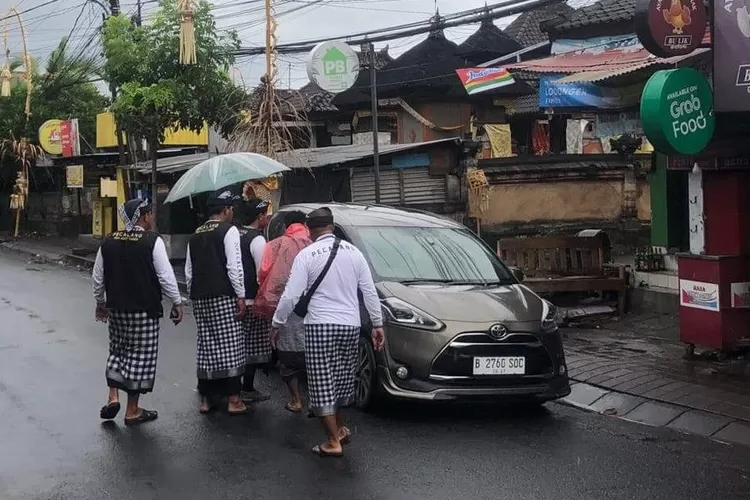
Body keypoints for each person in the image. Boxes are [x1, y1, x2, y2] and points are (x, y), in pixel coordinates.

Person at [270, 207, 385, 458]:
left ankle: (333, 441)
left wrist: (277, 323)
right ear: (332, 227)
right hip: (350, 326)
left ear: (310, 230)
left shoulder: (307, 254)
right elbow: (369, 291)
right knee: (342, 381)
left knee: (322, 382)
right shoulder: (355, 253)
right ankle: (341, 428)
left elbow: (291, 295)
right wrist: (377, 324)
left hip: (320, 325)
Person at [92, 198, 183, 426]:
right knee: (139, 358)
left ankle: (113, 396)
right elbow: (165, 275)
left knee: (117, 351)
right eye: (150, 213)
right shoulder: (152, 241)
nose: (152, 217)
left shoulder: (109, 240)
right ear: (144, 216)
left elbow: (97, 276)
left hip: (117, 310)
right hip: (144, 310)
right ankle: (132, 410)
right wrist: (177, 302)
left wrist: (100, 302)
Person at [185, 190, 248, 415]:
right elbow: (234, 266)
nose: (232, 212)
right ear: (226, 210)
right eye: (231, 208)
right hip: (223, 295)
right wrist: (240, 295)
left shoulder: (196, 233)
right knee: (230, 345)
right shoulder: (228, 230)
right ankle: (233, 399)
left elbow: (189, 271)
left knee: (207, 345)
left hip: (200, 296)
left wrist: (194, 294)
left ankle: (206, 399)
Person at [256, 210, 311, 413]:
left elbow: (263, 273)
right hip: (313, 308)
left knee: (288, 357)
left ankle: (296, 400)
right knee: (315, 357)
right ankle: (320, 401)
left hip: (285, 306)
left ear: (285, 225)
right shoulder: (315, 244)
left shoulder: (274, 244)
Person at [237, 197, 272, 403]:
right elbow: (263, 271)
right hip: (251, 299)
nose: (268, 218)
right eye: (266, 214)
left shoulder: (236, 233)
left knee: (237, 343)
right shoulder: (257, 239)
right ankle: (246, 388)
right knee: (252, 346)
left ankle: (233, 387)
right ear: (259, 216)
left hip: (236, 297)